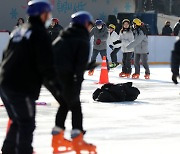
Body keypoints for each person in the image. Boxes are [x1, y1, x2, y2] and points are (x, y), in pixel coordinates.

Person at [0, 0, 63, 153]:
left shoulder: (18, 31)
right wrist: (60, 93)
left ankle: (8, 151)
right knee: (27, 123)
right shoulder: (39, 33)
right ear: (43, 14)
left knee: (18, 120)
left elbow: (4, 55)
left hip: (4, 83)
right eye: (48, 14)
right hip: (21, 86)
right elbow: (46, 67)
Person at [52, 11, 96, 153]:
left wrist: (87, 66)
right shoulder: (82, 39)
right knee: (75, 106)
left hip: (51, 77)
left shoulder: (63, 36)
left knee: (64, 104)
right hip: (67, 77)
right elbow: (77, 67)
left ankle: (57, 138)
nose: (90, 27)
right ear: (85, 24)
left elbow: (59, 56)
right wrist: (77, 86)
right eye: (90, 24)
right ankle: (78, 141)